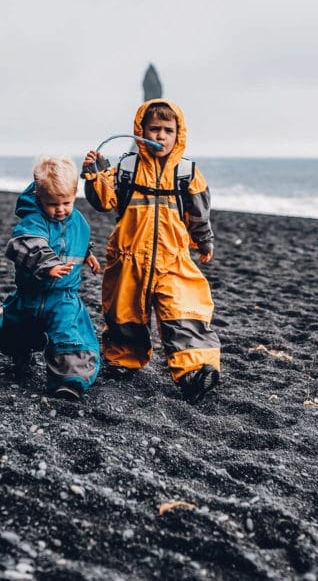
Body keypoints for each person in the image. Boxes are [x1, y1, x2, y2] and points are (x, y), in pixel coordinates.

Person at [81, 99, 221, 404]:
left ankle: (195, 371)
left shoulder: (187, 173)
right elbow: (103, 201)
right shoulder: (127, 169)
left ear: (178, 134)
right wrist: (94, 174)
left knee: (183, 312)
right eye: (154, 129)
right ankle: (123, 360)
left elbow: (198, 213)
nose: (160, 136)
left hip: (173, 259)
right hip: (128, 255)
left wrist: (204, 241)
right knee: (124, 313)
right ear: (140, 131)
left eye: (167, 130)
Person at [0, 156, 102, 401]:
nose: (60, 209)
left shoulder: (77, 221)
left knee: (69, 333)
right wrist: (48, 265)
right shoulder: (35, 220)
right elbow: (27, 244)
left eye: (66, 202)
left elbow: (78, 240)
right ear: (39, 198)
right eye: (52, 203)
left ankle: (69, 380)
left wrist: (88, 255)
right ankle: (20, 353)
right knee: (15, 330)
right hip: (31, 293)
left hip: (64, 295)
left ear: (74, 194)